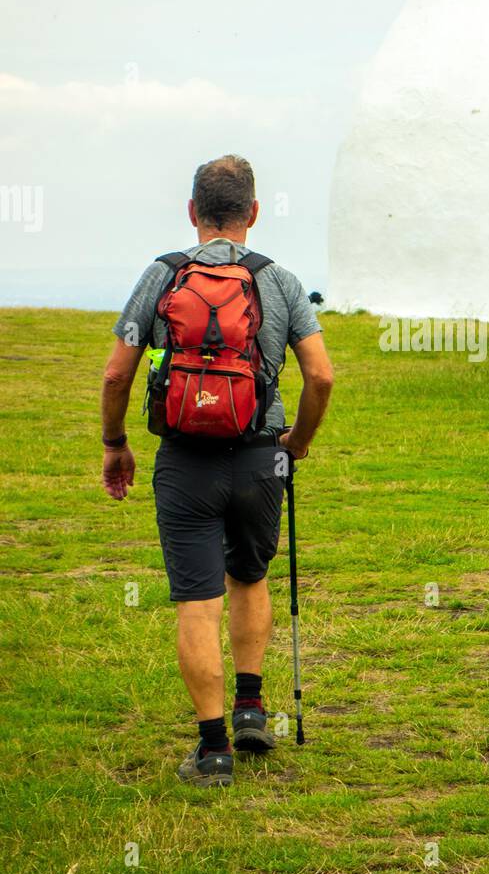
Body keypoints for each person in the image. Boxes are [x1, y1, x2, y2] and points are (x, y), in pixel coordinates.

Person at [100, 155, 334, 787]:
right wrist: (299, 442)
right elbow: (321, 375)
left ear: (191, 212)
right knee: (250, 575)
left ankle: (213, 751)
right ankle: (252, 707)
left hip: (184, 461)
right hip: (262, 452)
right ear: (254, 212)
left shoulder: (162, 275)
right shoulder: (279, 282)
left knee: (197, 603)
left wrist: (115, 442)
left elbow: (117, 372)